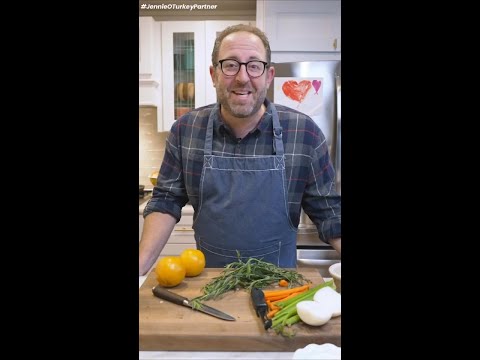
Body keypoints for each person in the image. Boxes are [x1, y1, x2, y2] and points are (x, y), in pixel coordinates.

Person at [139, 24, 341, 275]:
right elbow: (165, 201)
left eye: (254, 65)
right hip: (209, 288)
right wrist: (140, 267)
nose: (243, 77)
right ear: (214, 74)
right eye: (231, 64)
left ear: (269, 76)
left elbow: (330, 213)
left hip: (279, 290)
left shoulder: (304, 133)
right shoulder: (185, 131)